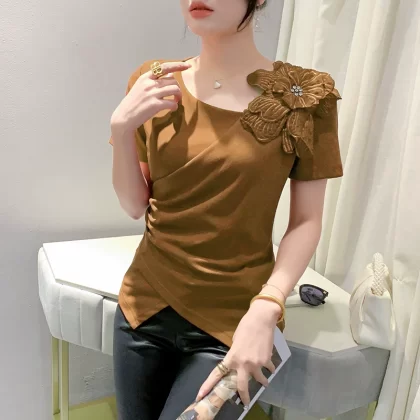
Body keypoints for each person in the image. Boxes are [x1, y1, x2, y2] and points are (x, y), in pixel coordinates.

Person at [109, 0, 344, 419]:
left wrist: (268, 306)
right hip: (142, 310)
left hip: (238, 323)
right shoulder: (154, 81)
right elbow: (134, 204)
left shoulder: (307, 97)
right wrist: (121, 129)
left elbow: (306, 221)